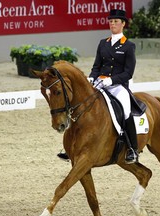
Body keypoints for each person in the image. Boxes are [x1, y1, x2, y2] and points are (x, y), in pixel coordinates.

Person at [58, 9, 139, 164]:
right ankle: (70, 147)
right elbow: (97, 66)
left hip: (118, 86)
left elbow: (128, 73)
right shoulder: (103, 43)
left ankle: (132, 149)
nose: (113, 24)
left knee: (126, 109)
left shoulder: (129, 46)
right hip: (99, 83)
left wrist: (112, 80)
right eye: (111, 21)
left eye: (116, 22)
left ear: (123, 24)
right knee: (78, 104)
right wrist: (91, 77)